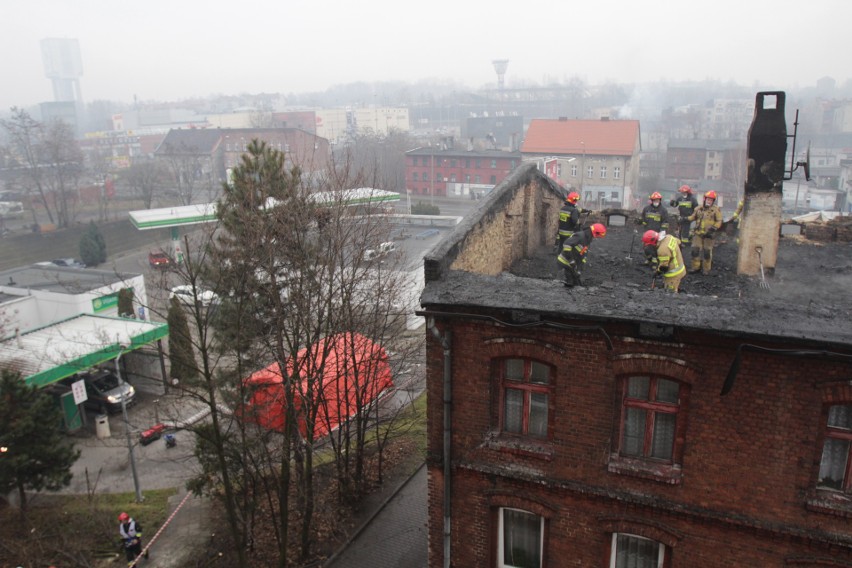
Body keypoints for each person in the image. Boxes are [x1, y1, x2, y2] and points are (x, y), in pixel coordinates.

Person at [557, 223, 607, 287]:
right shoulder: (580, 236)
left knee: (575, 283)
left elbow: (583, 256)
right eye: (598, 235)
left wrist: (579, 270)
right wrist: (571, 260)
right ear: (595, 233)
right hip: (564, 262)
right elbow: (566, 245)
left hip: (571, 265)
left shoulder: (587, 240)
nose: (597, 237)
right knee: (569, 284)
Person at [687, 190, 723, 274]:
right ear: (705, 199)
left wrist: (713, 228)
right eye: (708, 199)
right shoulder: (699, 209)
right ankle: (695, 267)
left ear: (713, 201)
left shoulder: (716, 210)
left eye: (711, 200)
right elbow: (693, 217)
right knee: (695, 250)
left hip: (709, 235)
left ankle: (706, 269)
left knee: (707, 252)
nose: (709, 201)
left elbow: (719, 221)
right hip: (698, 233)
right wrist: (684, 219)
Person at [639, 192, 669, 266]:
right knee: (646, 247)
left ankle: (655, 262)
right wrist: (640, 222)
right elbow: (643, 218)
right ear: (652, 200)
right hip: (648, 232)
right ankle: (649, 259)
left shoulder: (663, 210)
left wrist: (662, 231)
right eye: (655, 200)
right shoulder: (646, 209)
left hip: (657, 232)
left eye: (658, 200)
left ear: (660, 200)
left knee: (656, 248)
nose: (656, 201)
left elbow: (665, 222)